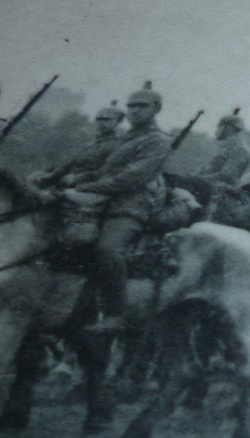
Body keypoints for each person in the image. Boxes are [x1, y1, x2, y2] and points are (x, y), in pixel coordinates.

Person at [57, 83, 172, 332]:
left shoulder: (158, 141)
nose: (134, 110)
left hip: (132, 204)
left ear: (157, 108)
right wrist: (75, 180)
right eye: (131, 105)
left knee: (108, 249)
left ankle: (115, 313)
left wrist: (88, 188)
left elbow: (131, 178)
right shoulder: (125, 139)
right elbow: (105, 171)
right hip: (106, 199)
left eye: (142, 106)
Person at [32, 101, 124, 190]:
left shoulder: (116, 145)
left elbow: (105, 172)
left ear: (117, 122)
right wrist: (51, 175)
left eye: (107, 119)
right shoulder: (90, 144)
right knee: (33, 179)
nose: (102, 123)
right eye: (99, 119)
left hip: (85, 186)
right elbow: (69, 164)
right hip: (66, 181)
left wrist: (78, 178)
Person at [197, 111, 250, 190]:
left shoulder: (240, 149)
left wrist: (197, 179)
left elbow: (226, 176)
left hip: (219, 191)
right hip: (208, 187)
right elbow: (207, 168)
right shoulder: (227, 147)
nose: (218, 129)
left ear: (229, 128)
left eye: (220, 126)